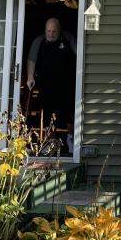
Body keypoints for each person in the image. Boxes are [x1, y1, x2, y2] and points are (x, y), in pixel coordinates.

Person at [25, 18, 76, 151]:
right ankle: (51, 141)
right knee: (48, 112)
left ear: (59, 30)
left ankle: (70, 139)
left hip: (66, 82)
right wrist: (30, 77)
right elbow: (31, 60)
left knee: (69, 111)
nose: (51, 34)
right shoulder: (39, 41)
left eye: (54, 31)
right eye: (49, 31)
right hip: (46, 82)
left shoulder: (68, 38)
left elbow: (79, 54)